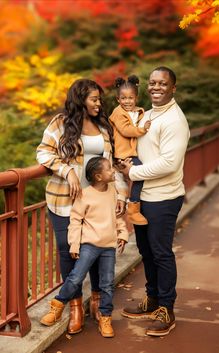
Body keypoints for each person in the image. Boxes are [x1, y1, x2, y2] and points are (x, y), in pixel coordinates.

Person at [36, 79, 127, 334]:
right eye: (94, 99)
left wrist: (120, 194)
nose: (99, 103)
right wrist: (67, 171)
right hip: (64, 200)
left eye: (99, 99)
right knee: (68, 252)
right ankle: (74, 306)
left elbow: (114, 166)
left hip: (99, 201)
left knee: (99, 249)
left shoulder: (103, 125)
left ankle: (97, 302)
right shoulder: (60, 123)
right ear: (80, 100)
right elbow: (43, 153)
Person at [120, 66, 190, 337]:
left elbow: (170, 164)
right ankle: (152, 300)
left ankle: (166, 308)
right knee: (146, 252)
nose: (156, 87)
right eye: (152, 83)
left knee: (161, 253)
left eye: (163, 83)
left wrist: (132, 172)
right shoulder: (147, 115)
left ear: (173, 87)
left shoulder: (174, 120)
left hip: (164, 197)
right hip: (142, 197)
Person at [40, 156, 129, 338]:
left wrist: (123, 233)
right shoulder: (85, 194)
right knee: (75, 277)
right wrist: (74, 244)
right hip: (88, 245)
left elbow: (116, 216)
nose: (113, 171)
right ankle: (57, 306)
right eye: (109, 169)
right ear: (98, 176)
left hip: (108, 247)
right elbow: (75, 220)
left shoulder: (112, 191)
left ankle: (105, 317)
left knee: (107, 284)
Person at [109, 75, 151, 225]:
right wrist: (142, 130)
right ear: (118, 99)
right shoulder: (118, 113)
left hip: (132, 153)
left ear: (136, 98)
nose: (127, 101)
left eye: (130, 98)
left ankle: (130, 204)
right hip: (123, 154)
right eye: (123, 98)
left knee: (138, 175)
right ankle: (133, 207)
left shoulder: (139, 112)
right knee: (141, 173)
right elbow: (126, 130)